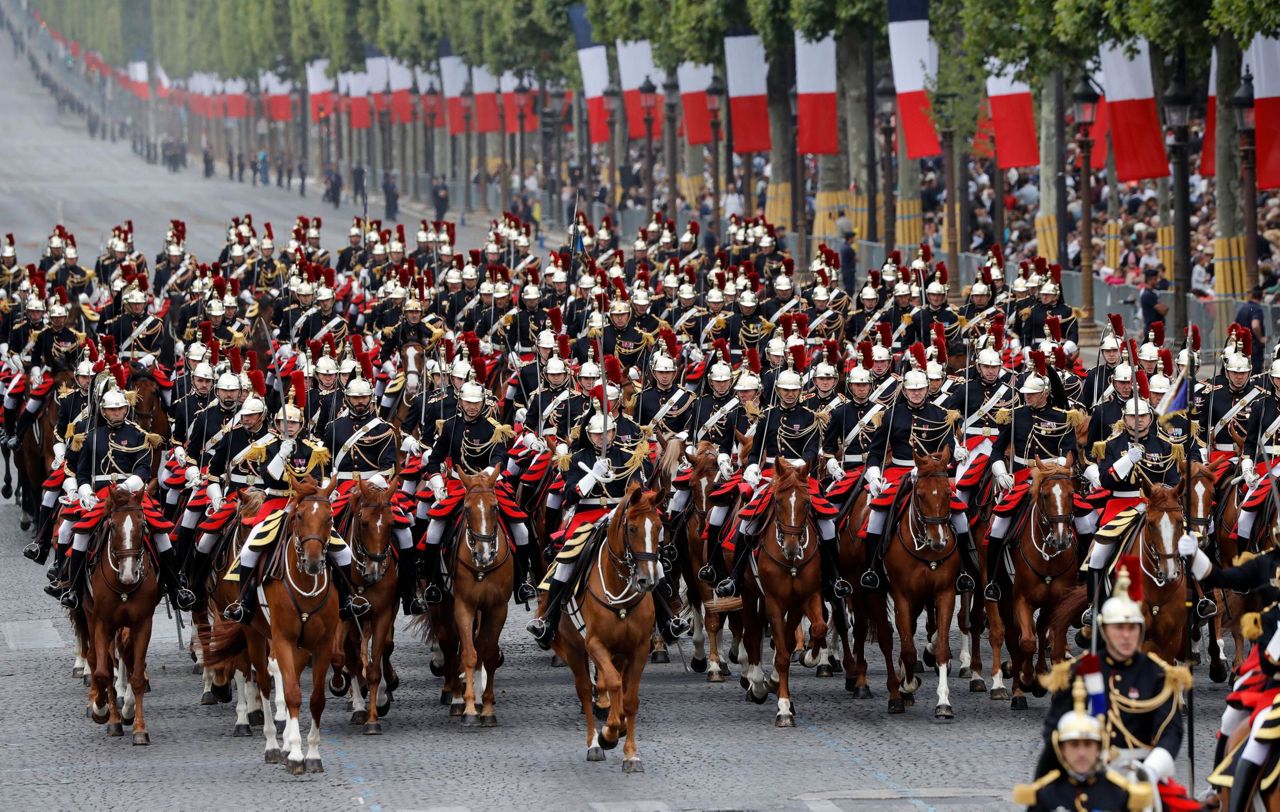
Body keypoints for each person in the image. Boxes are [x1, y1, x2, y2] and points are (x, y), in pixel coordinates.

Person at [1037, 561, 1187, 784]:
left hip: (1141, 774)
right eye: (1119, 628)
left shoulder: (1157, 674)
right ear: (1105, 630)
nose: (1126, 636)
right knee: (1097, 556)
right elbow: (1054, 730)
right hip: (1089, 774)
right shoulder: (1082, 670)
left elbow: (1171, 732)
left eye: (1132, 629)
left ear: (1141, 630)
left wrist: (1152, 771)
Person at [1014, 677, 1153, 811]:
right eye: (1074, 745)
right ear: (1061, 749)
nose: (1081, 753)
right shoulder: (1044, 796)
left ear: (1099, 748)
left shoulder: (1121, 794)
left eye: (1088, 745)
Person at [1235, 286, 1268, 374]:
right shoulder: (1257, 309)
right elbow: (1255, 325)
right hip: (1254, 348)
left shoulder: (1243, 307)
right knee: (1254, 376)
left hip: (1242, 347)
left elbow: (1235, 325)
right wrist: (1261, 338)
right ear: (1261, 296)